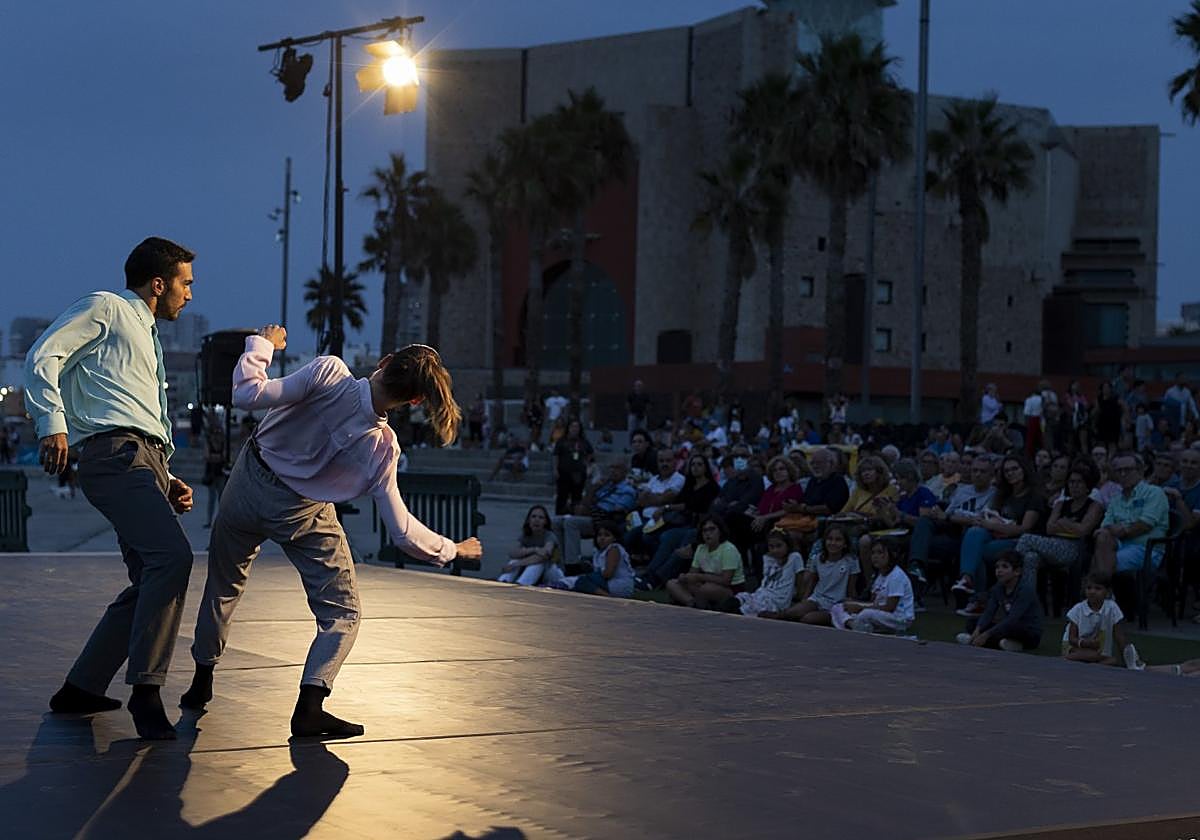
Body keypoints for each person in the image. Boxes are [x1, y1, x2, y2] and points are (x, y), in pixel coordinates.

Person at [180, 330, 482, 738]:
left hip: (248, 483)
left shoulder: (328, 372)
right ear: (415, 400)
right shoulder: (382, 450)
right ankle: (310, 705)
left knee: (222, 586)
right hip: (301, 510)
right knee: (342, 612)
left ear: (385, 360)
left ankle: (202, 680)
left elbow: (249, 394)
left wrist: (262, 345)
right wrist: (454, 551)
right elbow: (403, 532)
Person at [25, 236, 197, 740]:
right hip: (113, 456)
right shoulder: (108, 307)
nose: (189, 295)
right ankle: (146, 689)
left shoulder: (146, 334)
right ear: (159, 283)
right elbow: (43, 354)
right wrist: (51, 423)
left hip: (139, 461)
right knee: (172, 558)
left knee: (150, 576)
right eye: (185, 284)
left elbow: (134, 412)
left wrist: (165, 478)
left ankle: (81, 687)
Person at [954, 456, 1045, 617]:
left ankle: (979, 600)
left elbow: (1024, 528)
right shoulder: (1002, 494)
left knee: (978, 551)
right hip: (998, 537)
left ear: (1024, 469)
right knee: (974, 532)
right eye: (1007, 470)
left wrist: (992, 524)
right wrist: (991, 521)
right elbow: (989, 515)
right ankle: (967, 579)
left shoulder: (1033, 496)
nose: (1011, 473)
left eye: (1015, 469)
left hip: (1021, 542)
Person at [1091, 453, 1169, 580]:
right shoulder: (1116, 499)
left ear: (1140, 471)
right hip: (1119, 545)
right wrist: (1112, 531)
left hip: (1146, 549)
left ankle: (1104, 596)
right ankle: (1105, 594)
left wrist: (1122, 530)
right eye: (1119, 471)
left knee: (1099, 563)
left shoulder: (1154, 492)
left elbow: (1145, 525)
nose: (1122, 474)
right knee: (1102, 537)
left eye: (1127, 470)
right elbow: (1105, 527)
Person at [764, 524, 858, 626]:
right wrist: (805, 600)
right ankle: (778, 616)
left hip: (836, 603)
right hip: (818, 598)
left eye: (838, 540)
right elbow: (812, 582)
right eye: (830, 539)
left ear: (845, 544)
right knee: (793, 612)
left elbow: (851, 587)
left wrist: (850, 604)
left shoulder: (851, 561)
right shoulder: (817, 558)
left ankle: (832, 618)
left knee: (808, 619)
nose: (833, 543)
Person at [955, 552, 1042, 652]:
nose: (999, 571)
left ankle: (994, 642)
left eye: (1004, 567)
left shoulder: (1025, 590)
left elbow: (1013, 618)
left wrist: (986, 634)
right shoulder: (998, 588)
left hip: (1026, 630)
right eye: (997, 567)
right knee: (972, 622)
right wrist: (977, 630)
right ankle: (1002, 643)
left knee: (1010, 627)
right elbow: (989, 612)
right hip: (1007, 626)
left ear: (1017, 571)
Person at [832, 541, 914, 635]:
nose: (875, 556)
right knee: (838, 607)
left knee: (866, 614)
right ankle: (854, 625)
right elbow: (873, 602)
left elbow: (890, 607)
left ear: (892, 554)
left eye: (880, 553)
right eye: (873, 553)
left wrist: (859, 607)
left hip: (898, 617)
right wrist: (853, 603)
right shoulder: (879, 576)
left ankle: (855, 626)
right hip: (878, 613)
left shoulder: (896, 576)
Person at [666, 515, 744, 609]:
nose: (708, 533)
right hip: (705, 584)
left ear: (720, 531)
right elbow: (692, 573)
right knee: (672, 583)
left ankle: (698, 605)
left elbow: (726, 580)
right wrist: (685, 577)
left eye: (712, 529)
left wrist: (699, 577)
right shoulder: (701, 548)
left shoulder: (728, 549)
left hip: (730, 589)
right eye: (705, 530)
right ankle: (692, 604)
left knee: (706, 589)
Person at [554, 520, 636, 597]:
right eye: (599, 535)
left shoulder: (613, 549)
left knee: (582, 581)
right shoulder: (599, 552)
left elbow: (608, 574)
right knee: (581, 582)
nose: (602, 538)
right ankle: (561, 585)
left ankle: (607, 597)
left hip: (619, 585)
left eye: (607, 535)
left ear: (615, 538)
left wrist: (592, 576)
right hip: (608, 583)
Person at [732, 528, 802, 616]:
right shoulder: (767, 558)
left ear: (787, 545)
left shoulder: (794, 557)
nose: (775, 550)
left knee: (744, 610)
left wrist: (797, 598)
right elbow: (766, 581)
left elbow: (800, 579)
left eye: (779, 546)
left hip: (777, 599)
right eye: (771, 547)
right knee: (736, 600)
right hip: (761, 594)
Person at [1062, 575, 1130, 666]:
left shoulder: (1112, 608)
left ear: (1107, 592)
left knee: (1113, 660)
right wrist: (1086, 643)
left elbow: (1119, 636)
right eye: (1089, 588)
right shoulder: (1078, 609)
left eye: (1098, 588)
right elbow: (1071, 639)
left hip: (1097, 650)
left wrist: (1128, 658)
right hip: (1075, 647)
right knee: (1096, 655)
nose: (1092, 592)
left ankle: (1090, 665)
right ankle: (1065, 659)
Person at [498, 505, 559, 586]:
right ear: (528, 520)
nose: (536, 520)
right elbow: (513, 553)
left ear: (546, 522)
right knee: (514, 560)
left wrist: (516, 565)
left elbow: (544, 555)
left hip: (551, 574)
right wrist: (534, 549)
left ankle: (521, 585)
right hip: (532, 572)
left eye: (541, 518)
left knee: (537, 563)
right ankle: (503, 582)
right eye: (533, 516)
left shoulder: (549, 536)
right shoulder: (526, 535)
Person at [553, 418, 594, 516]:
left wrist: (587, 464)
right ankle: (559, 516)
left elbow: (591, 453)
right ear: (568, 428)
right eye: (572, 426)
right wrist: (555, 469)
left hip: (579, 473)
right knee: (562, 496)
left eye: (577, 427)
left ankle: (574, 516)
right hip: (563, 472)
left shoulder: (584, 441)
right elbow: (555, 455)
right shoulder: (561, 441)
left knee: (577, 497)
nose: (574, 429)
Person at [202, 409, 228, 528]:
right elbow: (208, 456)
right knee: (212, 498)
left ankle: (220, 521)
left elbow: (223, 456)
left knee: (221, 498)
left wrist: (215, 457)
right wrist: (217, 457)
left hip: (220, 471)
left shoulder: (222, 442)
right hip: (212, 472)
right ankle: (210, 521)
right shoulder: (209, 441)